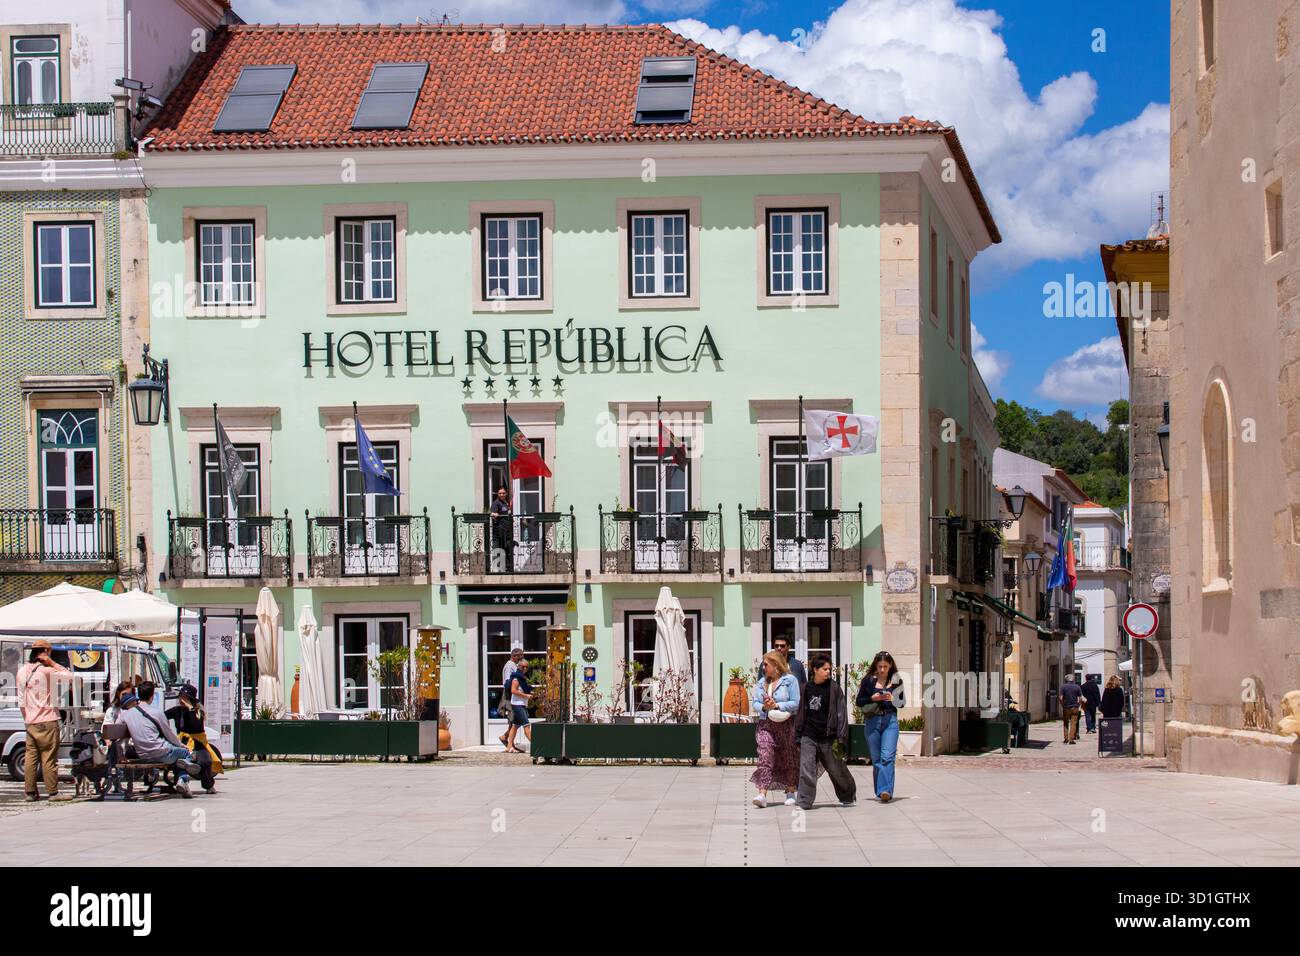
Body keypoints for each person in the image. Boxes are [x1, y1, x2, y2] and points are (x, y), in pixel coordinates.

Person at [793, 653, 856, 809]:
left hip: (828, 737)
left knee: (835, 769)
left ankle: (847, 795)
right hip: (809, 735)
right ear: (815, 670)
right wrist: (798, 733)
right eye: (825, 669)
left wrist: (841, 737)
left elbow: (841, 713)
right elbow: (801, 712)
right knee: (807, 769)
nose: (828, 672)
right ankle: (804, 801)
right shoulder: (805, 688)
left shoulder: (834, 688)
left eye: (829, 669)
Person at [118, 689, 201, 798]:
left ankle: (183, 779)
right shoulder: (156, 712)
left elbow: (116, 731)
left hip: (143, 755)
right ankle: (182, 779)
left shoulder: (124, 715)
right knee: (185, 753)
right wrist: (180, 745)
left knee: (180, 760)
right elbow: (169, 734)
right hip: (162, 753)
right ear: (152, 697)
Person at [17, 639, 72, 802]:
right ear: (46, 651)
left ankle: (30, 792)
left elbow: (21, 702)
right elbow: (70, 678)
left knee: (31, 757)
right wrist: (53, 663)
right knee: (48, 757)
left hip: (30, 721)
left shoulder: (21, 671)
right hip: (48, 719)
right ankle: (53, 793)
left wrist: (27, 719)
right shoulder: (47, 671)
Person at [749, 650, 800, 808]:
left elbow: (796, 702)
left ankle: (790, 791)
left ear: (776, 665)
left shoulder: (790, 680)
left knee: (788, 756)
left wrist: (777, 704)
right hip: (766, 724)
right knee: (765, 756)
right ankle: (762, 794)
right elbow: (755, 703)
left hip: (786, 724)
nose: (763, 667)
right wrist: (764, 706)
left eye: (766, 664)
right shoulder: (762, 682)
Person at [857, 650, 905, 803]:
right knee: (877, 759)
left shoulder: (897, 681)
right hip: (873, 721)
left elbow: (902, 703)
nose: (882, 670)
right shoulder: (868, 681)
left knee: (887, 757)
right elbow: (859, 701)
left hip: (890, 720)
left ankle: (885, 790)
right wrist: (872, 697)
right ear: (876, 666)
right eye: (880, 666)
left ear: (890, 665)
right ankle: (881, 791)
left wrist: (893, 699)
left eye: (885, 666)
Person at [165, 683, 222, 793]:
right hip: (183, 743)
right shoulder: (177, 710)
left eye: (185, 698)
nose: (182, 700)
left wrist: (190, 709)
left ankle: (208, 785)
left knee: (204, 761)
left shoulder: (197, 712)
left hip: (198, 744)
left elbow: (195, 725)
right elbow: (162, 716)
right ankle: (181, 782)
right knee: (179, 758)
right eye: (181, 697)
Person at [504, 661, 533, 754]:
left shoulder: (522, 678)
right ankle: (536, 745)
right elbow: (513, 690)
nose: (525, 669)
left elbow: (523, 690)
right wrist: (526, 696)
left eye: (527, 667)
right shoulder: (516, 678)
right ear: (519, 667)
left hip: (521, 704)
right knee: (526, 725)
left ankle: (509, 746)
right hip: (517, 704)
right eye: (523, 667)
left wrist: (530, 694)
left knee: (515, 726)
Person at [498, 646, 525, 746]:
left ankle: (505, 738)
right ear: (514, 656)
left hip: (513, 695)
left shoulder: (514, 665)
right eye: (520, 657)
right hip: (509, 695)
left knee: (514, 719)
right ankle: (510, 743)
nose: (521, 659)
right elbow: (507, 682)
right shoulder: (510, 666)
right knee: (512, 718)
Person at [490, 485, 513, 573]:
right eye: (500, 493)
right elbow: (492, 512)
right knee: (498, 548)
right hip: (498, 530)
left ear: (506, 494)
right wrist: (494, 514)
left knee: (507, 548)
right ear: (498, 494)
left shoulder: (505, 503)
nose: (502, 494)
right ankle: (497, 568)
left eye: (503, 493)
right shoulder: (496, 503)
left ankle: (506, 567)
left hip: (506, 530)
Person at [1059, 673, 1083, 744]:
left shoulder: (1063, 687)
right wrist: (1078, 704)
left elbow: (1060, 698)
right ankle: (1071, 739)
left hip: (1066, 707)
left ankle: (1066, 738)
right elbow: (1080, 698)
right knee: (1073, 723)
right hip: (1075, 707)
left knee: (1066, 723)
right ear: (1073, 679)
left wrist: (1062, 705)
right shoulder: (1077, 687)